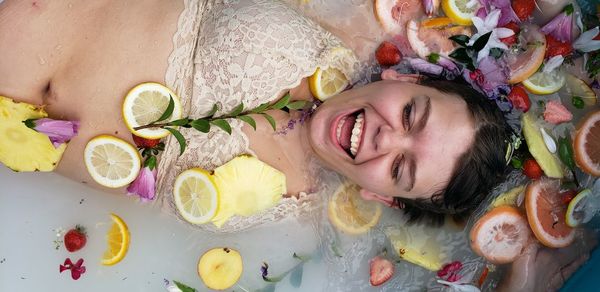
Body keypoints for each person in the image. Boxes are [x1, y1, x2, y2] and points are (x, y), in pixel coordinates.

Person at [0, 0, 594, 289]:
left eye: (403, 169)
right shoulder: (349, 32)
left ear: (384, 199)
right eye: (411, 114)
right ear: (404, 77)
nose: (388, 138)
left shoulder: (302, 220)